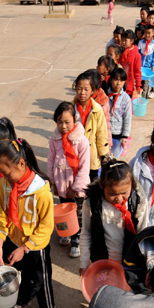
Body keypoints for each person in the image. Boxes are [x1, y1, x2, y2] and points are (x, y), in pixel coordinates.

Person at [0, 138, 55, 308]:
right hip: (13, 239)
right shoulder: (5, 184)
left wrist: (25, 247)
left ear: (21, 163)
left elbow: (45, 227)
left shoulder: (41, 192)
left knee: (41, 279)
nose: (3, 176)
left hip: (35, 246)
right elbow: (3, 213)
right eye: (0, 173)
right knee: (21, 275)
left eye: (6, 172)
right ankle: (22, 300)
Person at [79, 158, 147, 273]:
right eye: (112, 194)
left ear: (132, 184)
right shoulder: (92, 202)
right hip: (102, 261)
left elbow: (143, 234)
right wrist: (84, 263)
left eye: (124, 192)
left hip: (129, 263)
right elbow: (86, 232)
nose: (119, 198)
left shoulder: (139, 203)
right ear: (101, 186)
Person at [48, 102, 90, 258]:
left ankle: (76, 240)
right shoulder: (55, 139)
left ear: (75, 119)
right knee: (63, 213)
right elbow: (51, 160)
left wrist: (76, 188)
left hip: (76, 190)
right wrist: (54, 183)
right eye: (60, 122)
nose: (63, 126)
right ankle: (65, 233)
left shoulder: (82, 141)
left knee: (77, 215)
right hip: (61, 186)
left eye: (67, 122)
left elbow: (84, 167)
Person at [72, 71, 109, 181]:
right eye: (79, 88)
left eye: (86, 89)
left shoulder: (97, 110)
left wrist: (104, 155)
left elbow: (102, 134)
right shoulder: (70, 109)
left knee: (91, 184)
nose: (82, 92)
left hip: (91, 156)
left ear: (93, 91)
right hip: (74, 155)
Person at [84, 68, 112, 153]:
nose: (82, 91)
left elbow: (106, 126)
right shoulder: (78, 101)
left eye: (86, 88)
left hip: (95, 144)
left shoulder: (103, 104)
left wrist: (108, 145)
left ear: (94, 87)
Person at [107, 67, 132, 157]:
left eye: (121, 81)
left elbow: (127, 118)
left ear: (124, 82)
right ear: (110, 80)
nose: (118, 83)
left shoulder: (126, 98)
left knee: (114, 156)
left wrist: (124, 137)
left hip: (118, 134)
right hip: (106, 132)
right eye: (116, 79)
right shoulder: (105, 96)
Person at [137, 25, 154, 99]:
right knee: (139, 85)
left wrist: (153, 65)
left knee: (146, 85)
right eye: (146, 33)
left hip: (148, 68)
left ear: (153, 33)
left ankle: (144, 100)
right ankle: (139, 99)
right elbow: (138, 54)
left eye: (149, 33)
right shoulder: (141, 42)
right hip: (140, 67)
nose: (147, 35)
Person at [120, 29, 142, 97]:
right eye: (122, 40)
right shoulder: (120, 51)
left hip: (129, 88)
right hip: (118, 86)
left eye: (125, 40)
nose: (123, 42)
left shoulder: (136, 55)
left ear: (132, 41)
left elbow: (137, 72)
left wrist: (138, 86)